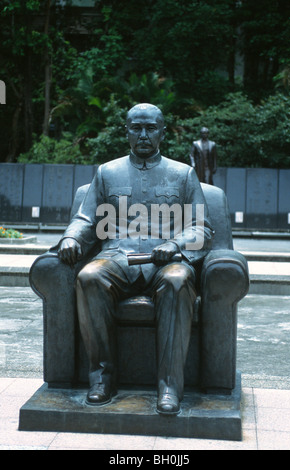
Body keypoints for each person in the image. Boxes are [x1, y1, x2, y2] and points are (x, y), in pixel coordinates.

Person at [58, 103, 214, 415]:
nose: (143, 134)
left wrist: (175, 243)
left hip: (165, 259)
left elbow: (201, 227)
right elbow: (86, 219)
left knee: (177, 280)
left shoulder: (183, 174)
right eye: (136, 128)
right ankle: (102, 377)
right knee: (89, 276)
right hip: (118, 256)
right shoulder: (107, 172)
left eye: (151, 128)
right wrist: (71, 237)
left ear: (163, 132)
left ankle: (169, 384)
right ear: (127, 131)